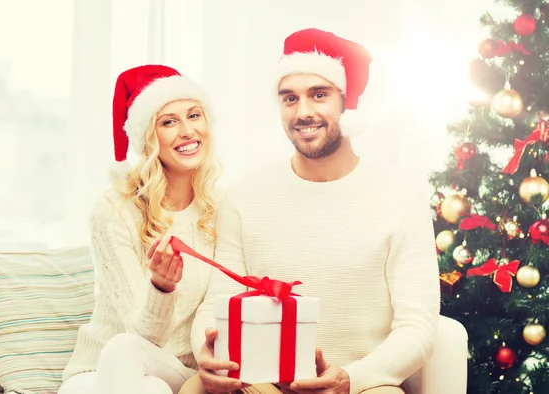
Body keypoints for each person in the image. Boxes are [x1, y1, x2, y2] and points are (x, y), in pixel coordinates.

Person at [183, 28, 440, 394]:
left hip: (358, 386)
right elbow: (214, 306)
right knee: (196, 388)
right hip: (258, 383)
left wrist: (352, 378)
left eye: (319, 95)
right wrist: (206, 354)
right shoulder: (244, 196)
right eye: (290, 99)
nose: (303, 112)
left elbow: (418, 328)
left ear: (346, 103)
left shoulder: (401, 198)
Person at [58, 64, 221, 394]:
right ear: (148, 138)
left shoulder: (218, 210)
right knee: (137, 370)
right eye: (168, 122)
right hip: (99, 371)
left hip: (176, 370)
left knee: (146, 375)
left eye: (194, 115)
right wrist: (161, 287)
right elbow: (142, 336)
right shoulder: (114, 211)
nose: (188, 131)